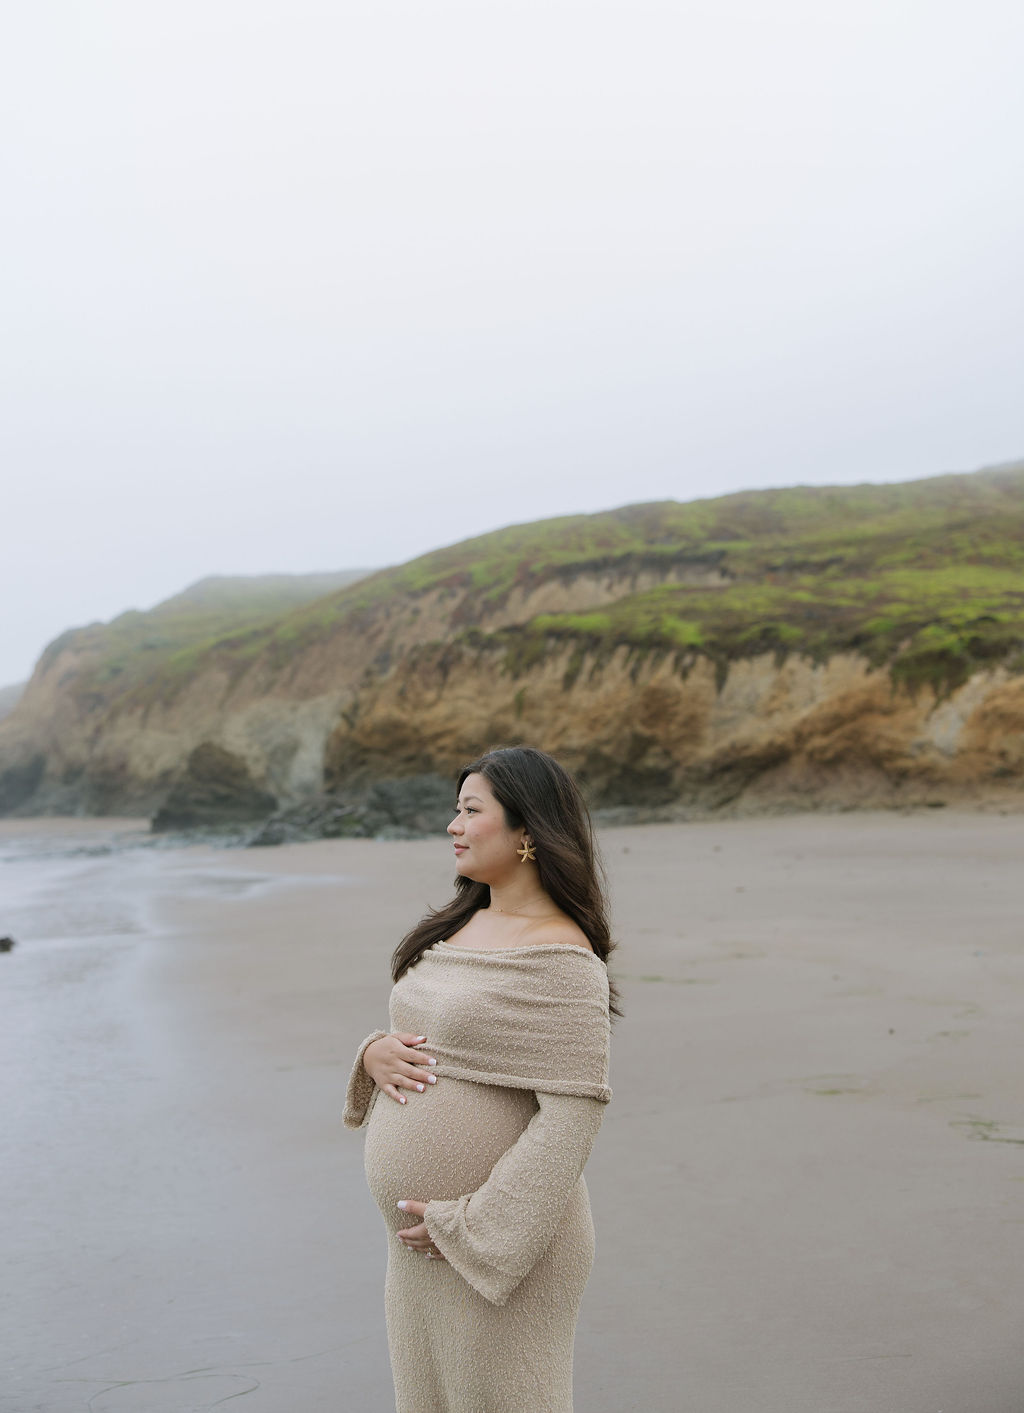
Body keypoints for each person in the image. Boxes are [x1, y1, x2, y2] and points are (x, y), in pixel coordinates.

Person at [343, 745, 621, 1413]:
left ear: (527, 830)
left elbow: (571, 1120)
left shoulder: (565, 958)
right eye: (455, 809)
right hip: (417, 1249)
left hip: (499, 1247)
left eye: (472, 810)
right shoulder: (458, 923)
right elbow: (427, 1029)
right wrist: (373, 1052)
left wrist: (469, 1227)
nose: (453, 825)